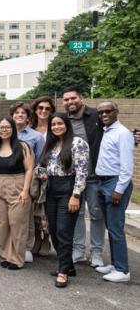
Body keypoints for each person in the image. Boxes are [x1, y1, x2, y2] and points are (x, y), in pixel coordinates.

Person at [39, 114, 89, 288]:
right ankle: (68, 266)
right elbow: (42, 166)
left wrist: (76, 195)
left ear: (66, 125)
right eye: (53, 124)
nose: (56, 127)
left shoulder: (77, 143)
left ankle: (63, 272)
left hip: (69, 189)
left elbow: (82, 171)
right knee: (53, 230)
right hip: (51, 189)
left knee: (63, 231)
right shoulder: (51, 144)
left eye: (60, 123)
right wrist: (41, 173)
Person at [62, 87, 103, 267]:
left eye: (73, 98)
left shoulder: (96, 116)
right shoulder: (64, 121)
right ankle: (78, 250)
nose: (70, 102)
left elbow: (113, 131)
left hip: (94, 177)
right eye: (66, 100)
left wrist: (133, 136)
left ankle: (97, 252)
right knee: (76, 214)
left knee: (96, 214)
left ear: (81, 98)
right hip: (73, 178)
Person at [94, 101, 134, 283]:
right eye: (101, 112)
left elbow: (127, 167)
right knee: (110, 226)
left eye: (108, 111)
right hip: (103, 182)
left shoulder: (123, 134)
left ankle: (122, 270)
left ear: (116, 112)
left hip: (115, 183)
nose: (104, 114)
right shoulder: (106, 131)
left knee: (116, 227)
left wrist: (119, 189)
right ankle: (115, 263)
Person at [0, 116, 34, 270]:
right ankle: (5, 255)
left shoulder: (23, 147)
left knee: (17, 223)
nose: (4, 130)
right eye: (1, 127)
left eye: (7, 127)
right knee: (1, 223)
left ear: (13, 129)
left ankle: (17, 258)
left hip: (18, 184)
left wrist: (25, 190)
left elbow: (29, 170)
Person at [10, 101, 46, 263]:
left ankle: (26, 247)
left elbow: (41, 160)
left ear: (28, 117)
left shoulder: (35, 137)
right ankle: (9, 245)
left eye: (23, 113)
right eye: (16, 113)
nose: (19, 115)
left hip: (27, 179)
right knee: (8, 214)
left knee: (26, 215)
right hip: (7, 178)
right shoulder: (6, 133)